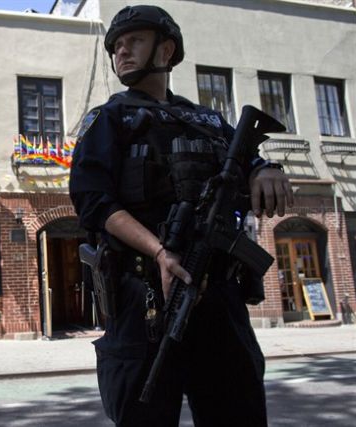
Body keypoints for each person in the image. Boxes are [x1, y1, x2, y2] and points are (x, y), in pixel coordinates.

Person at [69, 5, 293, 427]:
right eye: (116, 46)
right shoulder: (109, 119)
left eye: (134, 40)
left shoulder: (207, 120)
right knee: (143, 411)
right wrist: (159, 252)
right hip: (146, 298)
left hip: (218, 297)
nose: (122, 52)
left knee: (238, 410)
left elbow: (247, 161)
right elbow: (92, 202)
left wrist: (266, 170)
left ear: (166, 49)